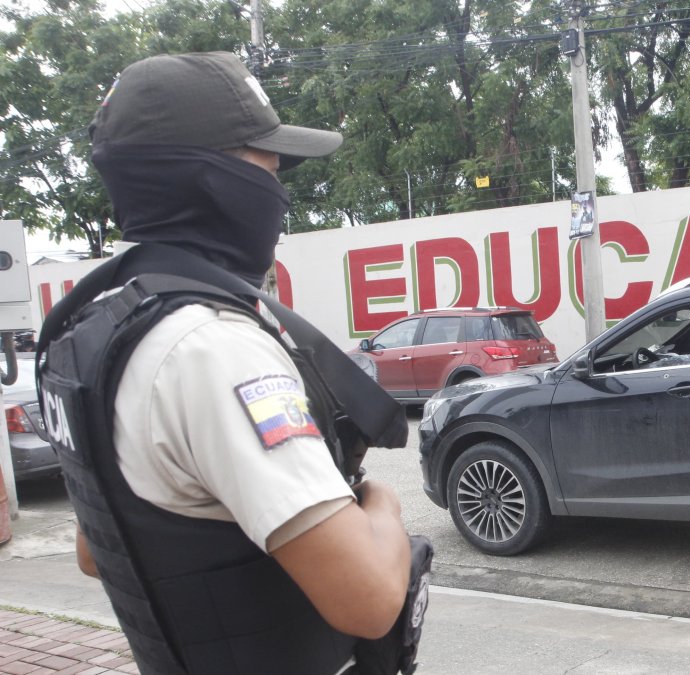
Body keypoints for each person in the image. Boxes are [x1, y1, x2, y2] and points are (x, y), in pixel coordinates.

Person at [36, 52, 412, 675]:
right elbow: (368, 599)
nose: (279, 193)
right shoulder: (212, 347)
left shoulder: (92, 330)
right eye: (267, 169)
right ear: (212, 180)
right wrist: (382, 507)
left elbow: (97, 551)